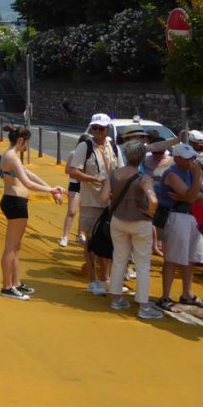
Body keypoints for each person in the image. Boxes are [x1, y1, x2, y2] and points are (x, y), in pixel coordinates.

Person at [0, 126, 64, 300]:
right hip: (14, 202)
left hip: (15, 202)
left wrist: (51, 188)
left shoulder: (12, 156)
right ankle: (7, 286)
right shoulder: (12, 156)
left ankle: (16, 283)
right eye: (26, 143)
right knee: (11, 247)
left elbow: (28, 174)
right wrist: (50, 191)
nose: (26, 147)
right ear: (21, 141)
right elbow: (28, 183)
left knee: (16, 246)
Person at [100, 141, 163, 320]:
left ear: (126, 155)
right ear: (142, 157)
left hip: (118, 220)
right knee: (142, 263)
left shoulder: (114, 174)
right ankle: (143, 305)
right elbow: (154, 200)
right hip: (139, 222)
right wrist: (149, 212)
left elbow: (104, 197)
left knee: (119, 259)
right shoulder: (144, 178)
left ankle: (116, 297)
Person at [67, 114, 118, 295]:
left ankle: (106, 278)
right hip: (91, 201)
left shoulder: (113, 146)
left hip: (110, 202)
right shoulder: (85, 146)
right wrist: (95, 179)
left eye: (101, 128)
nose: (97, 132)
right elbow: (73, 171)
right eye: (95, 128)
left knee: (108, 241)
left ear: (108, 129)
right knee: (90, 241)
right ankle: (93, 279)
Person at [155, 143, 202, 311]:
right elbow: (191, 196)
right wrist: (195, 184)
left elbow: (194, 195)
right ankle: (165, 296)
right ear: (177, 158)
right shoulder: (172, 174)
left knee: (190, 259)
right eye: (188, 159)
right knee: (172, 258)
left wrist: (190, 195)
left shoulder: (188, 172)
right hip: (176, 216)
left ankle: (186, 293)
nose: (192, 162)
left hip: (190, 217)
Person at [59, 134, 91, 248]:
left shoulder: (90, 156)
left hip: (86, 185)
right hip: (75, 184)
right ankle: (65, 236)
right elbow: (67, 170)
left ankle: (80, 234)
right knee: (72, 211)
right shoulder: (73, 153)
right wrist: (76, 171)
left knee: (83, 212)